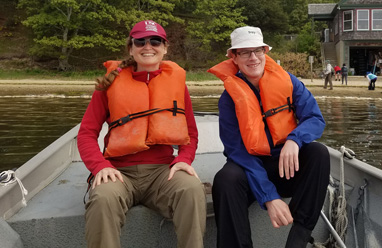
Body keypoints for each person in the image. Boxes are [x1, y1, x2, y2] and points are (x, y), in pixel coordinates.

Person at [77, 20, 206, 248]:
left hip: (161, 173)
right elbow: (86, 133)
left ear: (165, 48)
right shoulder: (110, 84)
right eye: (140, 41)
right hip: (118, 172)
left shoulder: (177, 85)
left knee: (192, 188)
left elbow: (191, 134)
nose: (148, 46)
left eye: (155, 41)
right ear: (131, 48)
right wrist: (100, 166)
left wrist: (184, 159)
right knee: (103, 198)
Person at [208, 26, 330, 248]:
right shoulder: (228, 99)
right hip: (250, 168)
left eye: (258, 51)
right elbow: (237, 151)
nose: (253, 58)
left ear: (265, 52)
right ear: (233, 57)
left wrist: (295, 139)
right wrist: (269, 196)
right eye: (244, 52)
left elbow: (315, 118)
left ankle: (298, 239)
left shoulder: (290, 82)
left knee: (318, 153)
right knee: (225, 180)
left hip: (286, 166)